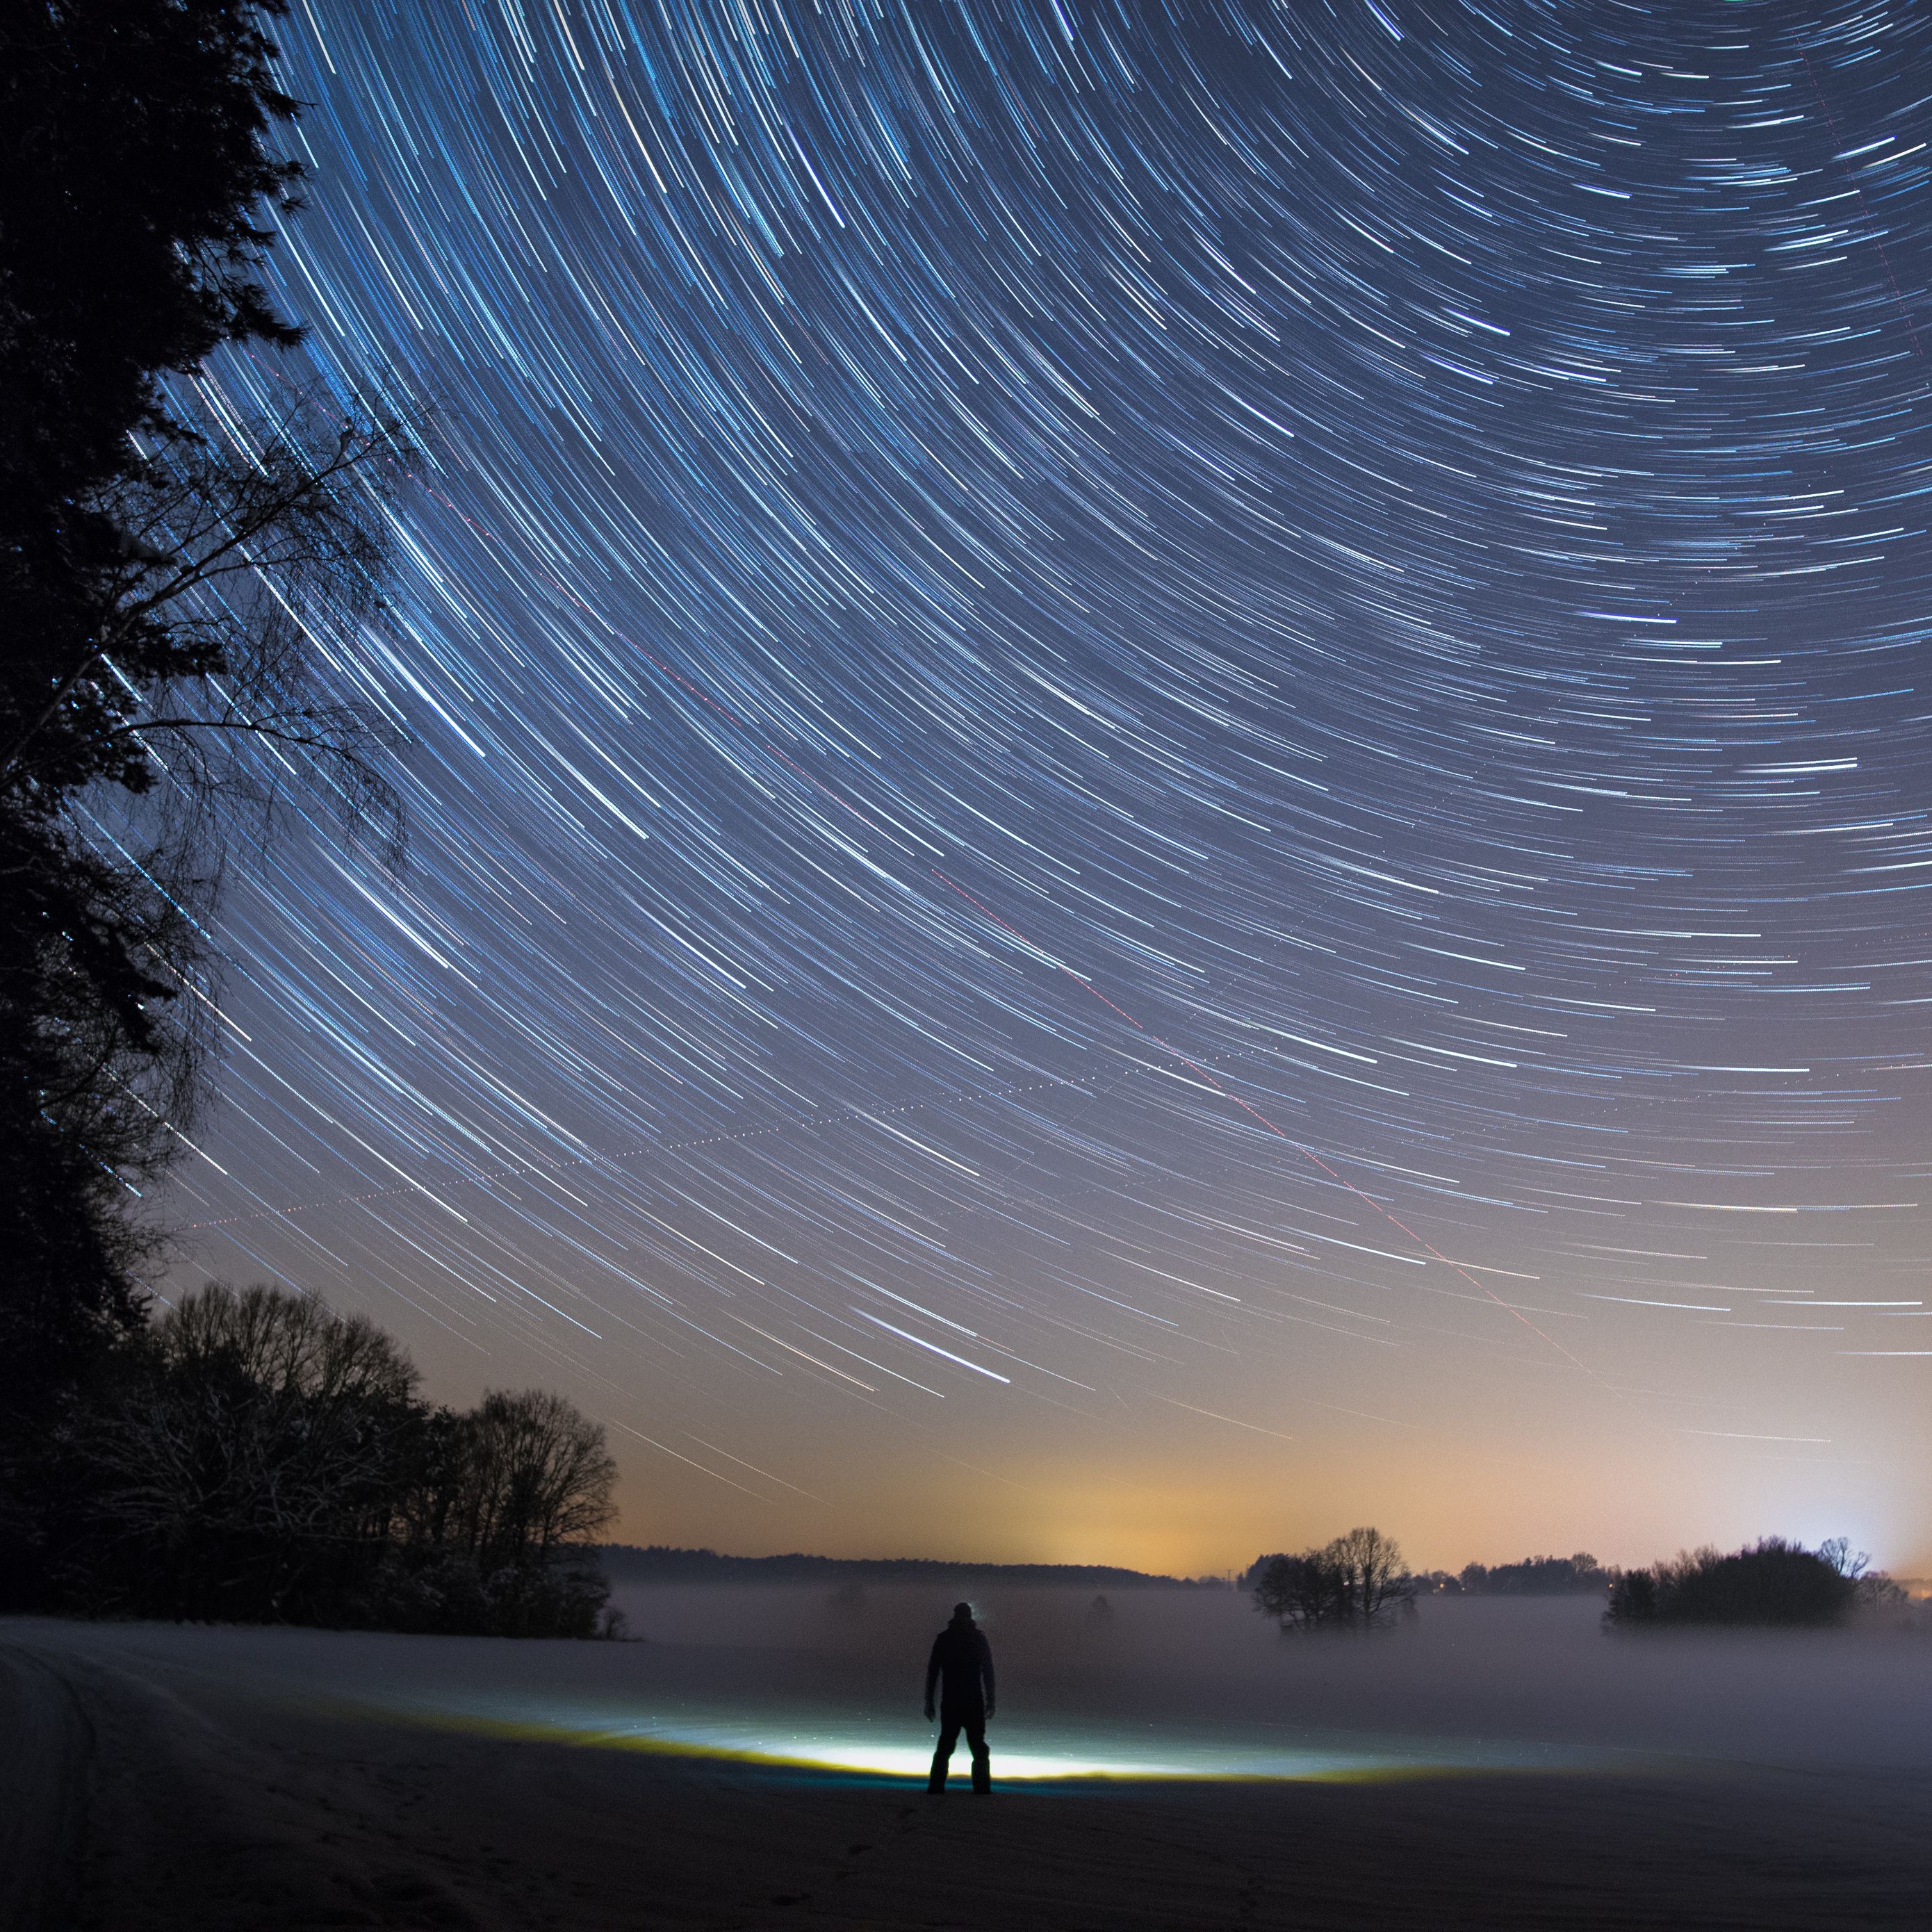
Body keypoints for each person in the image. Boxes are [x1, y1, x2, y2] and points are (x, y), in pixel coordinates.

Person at [923, 1601, 995, 1794]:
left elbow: (933, 1672)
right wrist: (991, 1700)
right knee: (978, 1747)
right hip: (973, 1701)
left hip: (952, 1700)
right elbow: (988, 1671)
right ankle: (982, 1790)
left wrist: (929, 1700)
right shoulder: (978, 1639)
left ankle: (936, 1787)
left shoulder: (944, 1638)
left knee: (946, 1745)